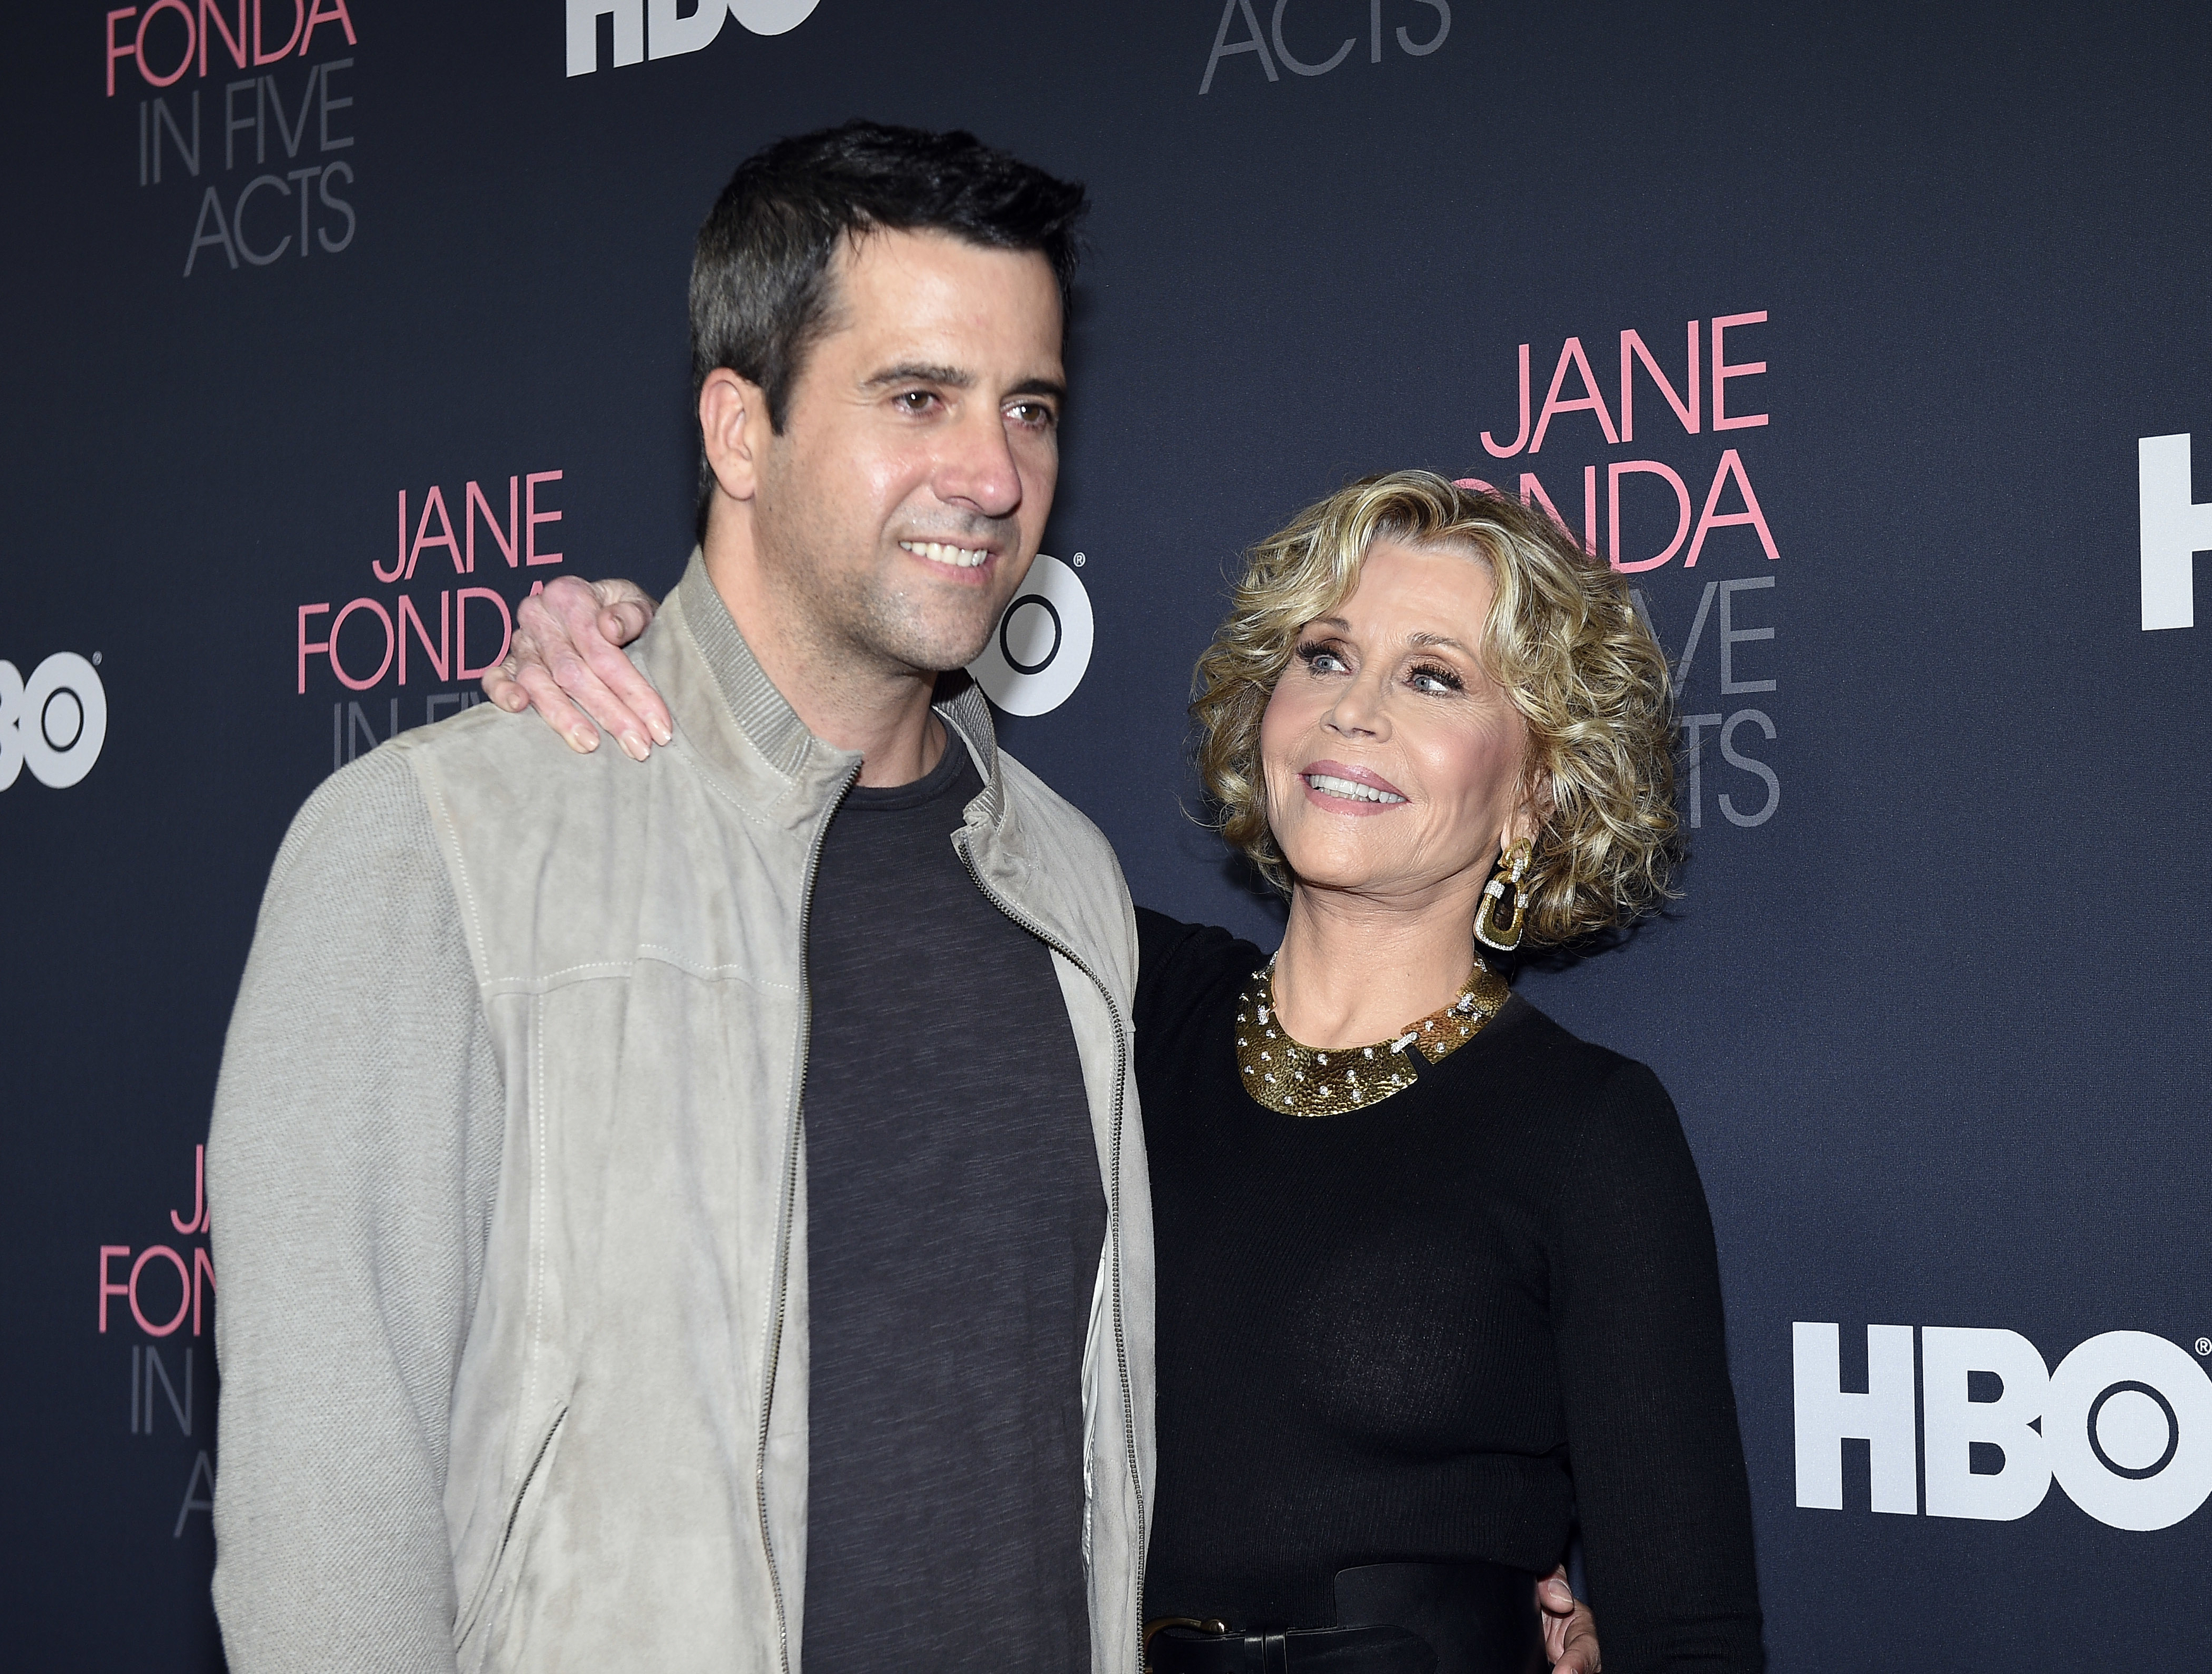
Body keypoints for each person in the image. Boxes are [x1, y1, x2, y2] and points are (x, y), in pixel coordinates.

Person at [493, 473, 1763, 1670]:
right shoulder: (1104, 984)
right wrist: (625, 643)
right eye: (1323, 654)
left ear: (1536, 791)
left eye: (1433, 677)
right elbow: (840, 787)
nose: (1352, 707)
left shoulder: (1586, 1133)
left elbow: (1689, 1638)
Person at [205, 123, 1155, 1673]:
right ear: (738, 428)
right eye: (916, 396)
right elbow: (330, 1519)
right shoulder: (430, 842)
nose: (991, 476)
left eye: (1028, 408)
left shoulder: (1066, 881)